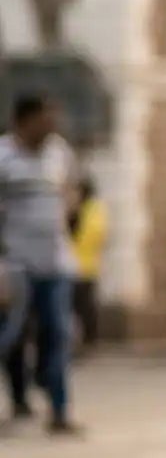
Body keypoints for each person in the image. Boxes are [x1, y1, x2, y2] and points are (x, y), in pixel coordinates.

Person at [0, 97, 78, 433]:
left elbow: (71, 187)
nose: (51, 127)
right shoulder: (3, 156)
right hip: (15, 261)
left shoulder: (59, 152)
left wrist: (68, 206)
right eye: (45, 120)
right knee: (9, 335)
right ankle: (18, 398)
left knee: (58, 333)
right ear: (24, 121)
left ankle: (59, 410)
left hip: (56, 260)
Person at [68, 180, 105, 352]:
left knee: (85, 308)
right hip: (75, 267)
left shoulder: (91, 210)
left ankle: (89, 342)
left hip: (84, 267)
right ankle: (79, 341)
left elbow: (92, 236)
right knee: (78, 308)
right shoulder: (85, 209)